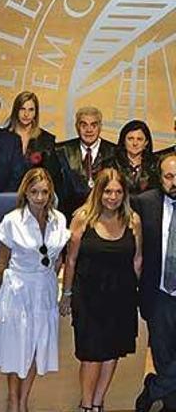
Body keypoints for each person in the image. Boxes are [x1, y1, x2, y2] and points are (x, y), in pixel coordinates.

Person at [60, 168, 142, 412]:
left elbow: (138, 260)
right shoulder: (82, 218)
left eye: (118, 192)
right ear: (98, 191)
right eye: (108, 191)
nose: (113, 197)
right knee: (91, 353)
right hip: (88, 297)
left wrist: (137, 295)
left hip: (121, 296)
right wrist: (67, 293)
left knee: (112, 351)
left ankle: (97, 402)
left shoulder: (133, 220)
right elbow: (70, 260)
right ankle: (86, 404)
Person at [0, 168, 71, 412]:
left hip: (45, 289)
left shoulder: (59, 220)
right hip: (17, 291)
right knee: (18, 348)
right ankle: (14, 401)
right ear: (25, 192)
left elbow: (58, 260)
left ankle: (24, 400)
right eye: (34, 192)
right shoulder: (12, 220)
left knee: (37, 346)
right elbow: (2, 264)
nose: (39, 197)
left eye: (44, 192)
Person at [133, 155, 176, 412]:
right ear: (159, 178)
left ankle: (153, 389)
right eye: (169, 177)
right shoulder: (144, 203)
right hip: (159, 293)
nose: (174, 182)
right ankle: (169, 401)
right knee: (162, 355)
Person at [54, 106, 116, 219]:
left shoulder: (114, 152)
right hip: (68, 218)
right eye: (84, 125)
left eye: (94, 125)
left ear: (100, 127)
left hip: (106, 218)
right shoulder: (60, 152)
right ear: (77, 127)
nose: (89, 130)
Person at [100, 120, 159, 195]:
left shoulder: (155, 164)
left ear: (146, 143)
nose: (135, 143)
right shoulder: (111, 164)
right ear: (123, 141)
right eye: (130, 139)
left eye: (139, 139)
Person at [5, 91, 57, 172]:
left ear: (36, 113)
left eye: (31, 110)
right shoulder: (3, 136)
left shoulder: (46, 139)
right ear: (16, 110)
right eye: (22, 109)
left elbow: (51, 174)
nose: (26, 114)